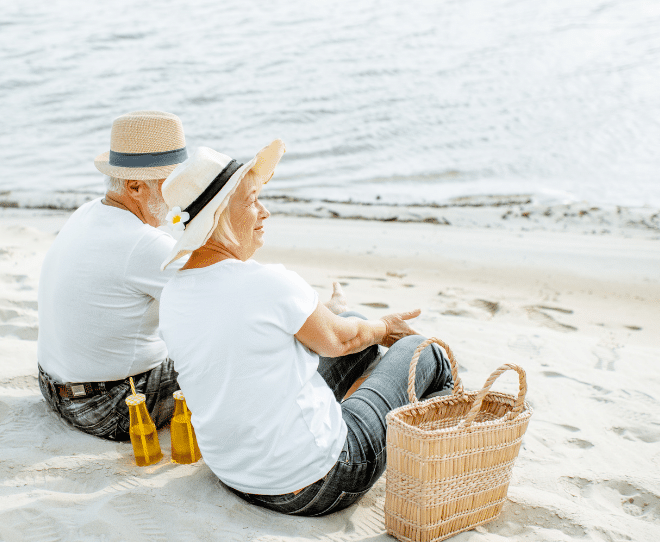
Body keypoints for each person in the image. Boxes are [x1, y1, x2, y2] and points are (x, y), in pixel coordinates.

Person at [158, 141, 454, 517]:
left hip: (235, 475)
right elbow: (343, 339)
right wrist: (385, 327)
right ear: (217, 218)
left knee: (351, 323)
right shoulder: (268, 283)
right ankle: (445, 448)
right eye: (251, 202)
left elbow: (253, 344)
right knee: (425, 351)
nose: (264, 212)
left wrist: (342, 322)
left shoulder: (173, 294)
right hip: (318, 481)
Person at [36, 110, 188, 441]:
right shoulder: (145, 244)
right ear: (135, 187)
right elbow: (225, 299)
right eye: (175, 183)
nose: (185, 194)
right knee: (228, 353)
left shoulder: (87, 212)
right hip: (111, 407)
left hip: (53, 389)